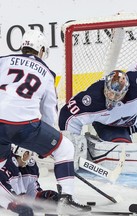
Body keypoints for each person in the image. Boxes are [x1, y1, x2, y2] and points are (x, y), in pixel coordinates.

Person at [0, 29, 91, 215]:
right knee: (65, 148)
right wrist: (45, 148)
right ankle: (67, 197)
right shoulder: (47, 73)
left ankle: (11, 202)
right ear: (41, 50)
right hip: (24, 126)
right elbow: (49, 113)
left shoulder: (3, 60)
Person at [0, 146, 59, 215]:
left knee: (53, 198)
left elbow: (31, 189)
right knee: (26, 211)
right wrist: (15, 204)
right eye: (29, 154)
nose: (30, 157)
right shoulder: (5, 164)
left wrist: (41, 196)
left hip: (19, 200)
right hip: (5, 203)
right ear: (22, 153)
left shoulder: (29, 166)